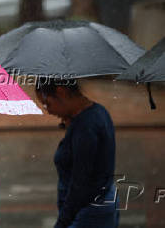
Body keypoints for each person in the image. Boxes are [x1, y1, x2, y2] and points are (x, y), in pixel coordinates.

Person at [35, 78, 119, 228]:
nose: (48, 110)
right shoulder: (98, 112)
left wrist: (62, 222)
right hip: (98, 204)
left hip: (88, 212)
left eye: (48, 103)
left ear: (61, 92)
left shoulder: (86, 126)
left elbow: (81, 182)